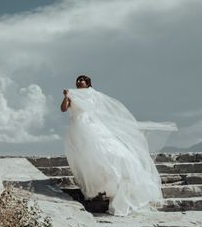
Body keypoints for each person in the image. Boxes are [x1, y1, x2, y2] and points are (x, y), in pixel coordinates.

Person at [61, 75, 162, 216]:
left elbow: (99, 110)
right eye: (77, 81)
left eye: (81, 81)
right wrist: (66, 96)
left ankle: (117, 181)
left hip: (92, 126)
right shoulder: (71, 95)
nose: (78, 83)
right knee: (88, 158)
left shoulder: (94, 95)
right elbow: (63, 109)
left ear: (88, 83)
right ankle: (101, 186)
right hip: (78, 129)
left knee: (107, 149)